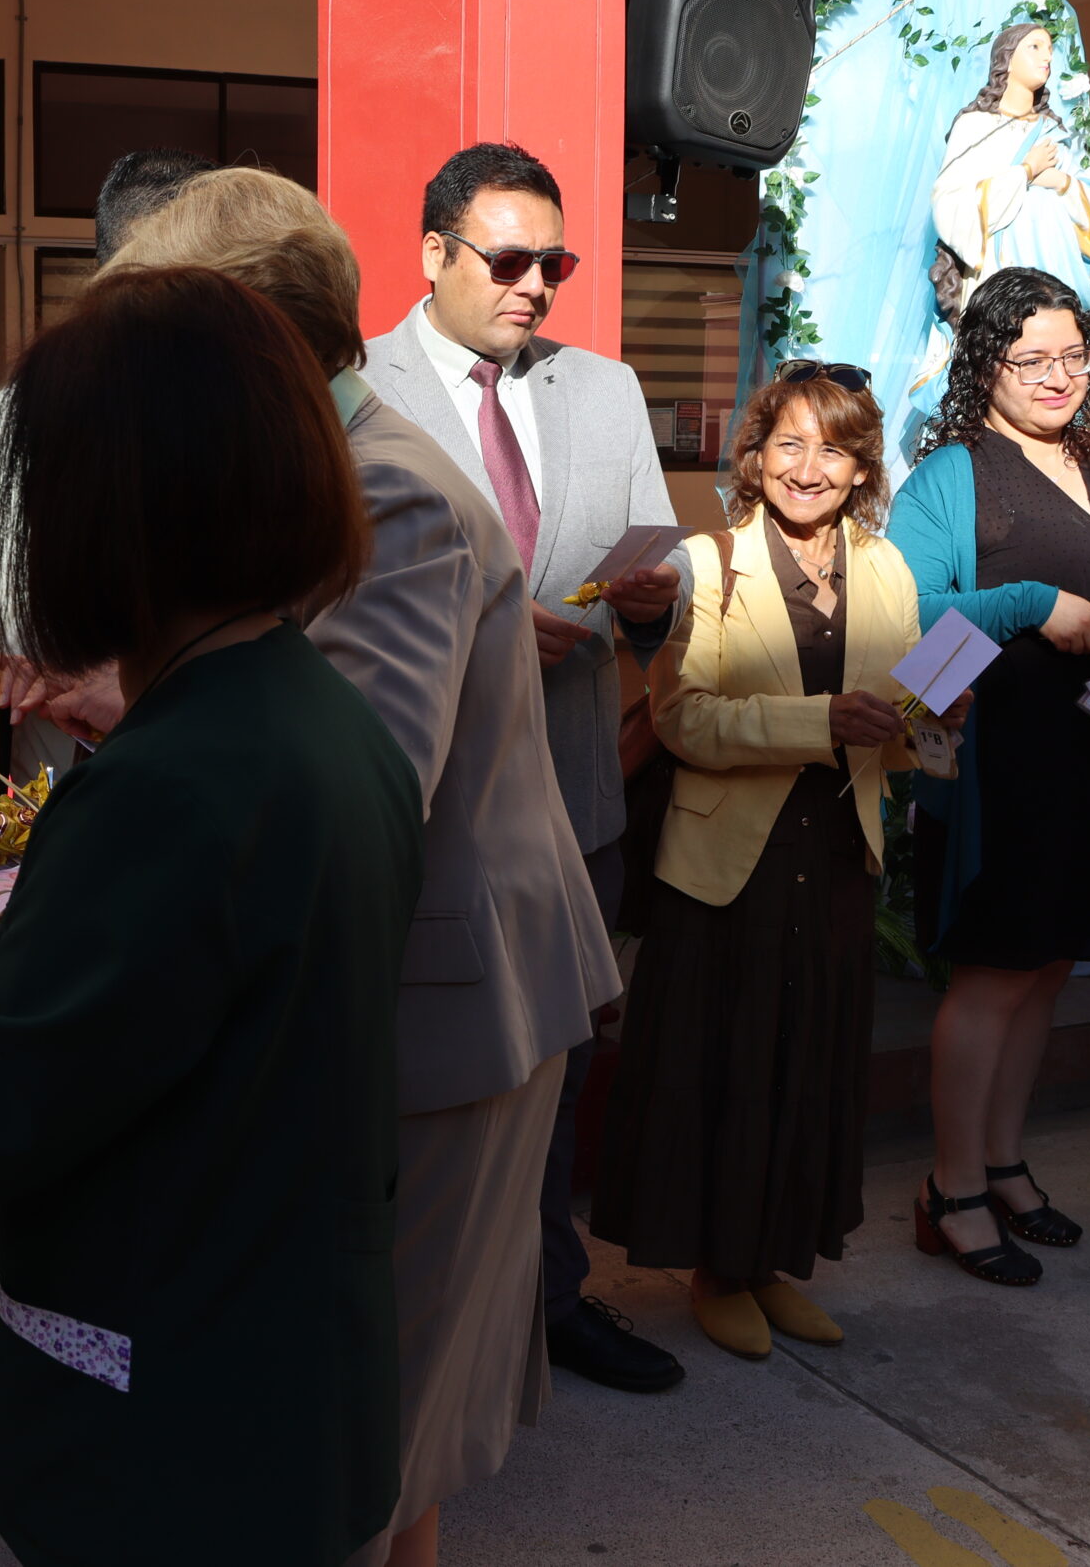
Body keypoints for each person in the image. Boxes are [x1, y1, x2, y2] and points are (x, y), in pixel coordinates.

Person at [0, 263, 419, 1567]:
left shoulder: (157, 789)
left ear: (105, 510)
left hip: (168, 1439)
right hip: (297, 1392)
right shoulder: (326, 718)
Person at [107, 168, 614, 1567]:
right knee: (383, 1417)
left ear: (252, 351)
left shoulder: (385, 490)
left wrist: (135, 716)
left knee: (365, 1425)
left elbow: (359, 794)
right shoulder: (316, 473)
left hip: (442, 1008)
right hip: (409, 992)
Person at [360, 140, 685, 1395]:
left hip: (573, 790)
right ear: (431, 253)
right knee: (418, 1071)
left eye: (554, 262)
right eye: (507, 261)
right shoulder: (355, 393)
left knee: (558, 1060)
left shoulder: (602, 389)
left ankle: (548, 1300)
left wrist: (652, 601)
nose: (534, 286)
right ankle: (412, 1321)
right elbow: (326, 601)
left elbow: (659, 572)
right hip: (424, 802)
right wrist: (487, 628)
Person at [593, 367, 965, 1358]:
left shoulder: (885, 568)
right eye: (788, 444)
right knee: (723, 1067)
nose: (809, 468)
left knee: (807, 1066)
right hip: (726, 868)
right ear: (753, 458)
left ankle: (770, 1263)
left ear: (862, 468)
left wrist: (931, 716)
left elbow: (892, 732)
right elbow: (684, 719)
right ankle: (716, 1270)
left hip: (838, 857)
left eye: (833, 449)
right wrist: (821, 719)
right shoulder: (705, 562)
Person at [891, 264, 1090, 1286]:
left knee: (1052, 964)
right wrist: (1026, 602)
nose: (1059, 376)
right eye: (1032, 360)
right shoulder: (949, 476)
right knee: (994, 972)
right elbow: (907, 621)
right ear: (986, 364)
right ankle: (950, 1187)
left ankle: (1003, 1161)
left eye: (1074, 355)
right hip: (994, 759)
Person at [0, 148, 216, 780]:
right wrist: (120, 678)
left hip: (199, 747)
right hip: (69, 753)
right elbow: (9, 615)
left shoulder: (224, 404)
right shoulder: (18, 411)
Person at [929, 24, 1090, 330]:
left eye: (1049, 50)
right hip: (1000, 273)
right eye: (1035, 47)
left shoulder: (1053, 132)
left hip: (1056, 274)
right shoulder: (976, 126)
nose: (1046, 57)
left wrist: (1061, 183)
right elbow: (949, 203)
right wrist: (1026, 172)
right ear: (1007, 59)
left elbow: (1088, 211)